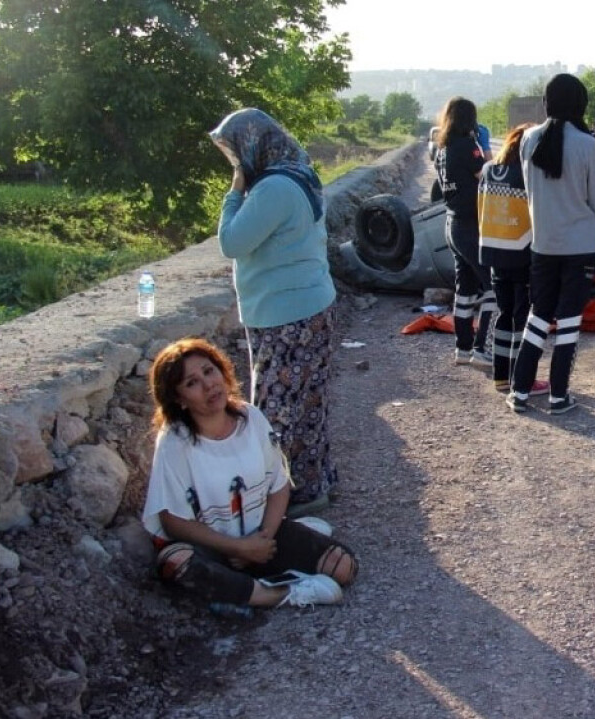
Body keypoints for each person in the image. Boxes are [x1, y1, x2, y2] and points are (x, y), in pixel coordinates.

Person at [143, 339, 358, 611]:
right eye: (192, 383)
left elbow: (279, 485)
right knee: (176, 563)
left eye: (209, 371)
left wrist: (262, 540)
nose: (209, 385)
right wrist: (237, 548)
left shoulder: (251, 418)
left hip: (262, 535)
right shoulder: (175, 442)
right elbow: (172, 521)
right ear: (178, 399)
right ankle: (280, 594)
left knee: (345, 567)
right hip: (212, 548)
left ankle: (252, 579)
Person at [210, 108, 338, 516]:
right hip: (301, 305)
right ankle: (316, 484)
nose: (235, 163)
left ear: (252, 146)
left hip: (287, 313)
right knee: (307, 404)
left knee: (278, 413)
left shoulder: (274, 189)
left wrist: (233, 193)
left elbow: (231, 242)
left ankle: (293, 497)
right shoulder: (295, 174)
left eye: (234, 153)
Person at [507, 73, 595, 414]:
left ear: (547, 101)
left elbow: (529, 188)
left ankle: (519, 391)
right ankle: (558, 395)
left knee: (538, 317)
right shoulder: (587, 144)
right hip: (579, 245)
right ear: (579, 103)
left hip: (543, 244)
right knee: (568, 321)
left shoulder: (528, 139)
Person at [477, 124, 551, 397]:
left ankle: (501, 377)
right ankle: (523, 379)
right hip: (522, 253)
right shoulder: (528, 175)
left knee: (504, 314)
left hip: (493, 252)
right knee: (524, 319)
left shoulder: (487, 171)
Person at [435, 97, 495, 367]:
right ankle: (483, 347)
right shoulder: (466, 145)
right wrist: (485, 149)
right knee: (494, 285)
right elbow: (488, 174)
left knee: (465, 288)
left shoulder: (442, 150)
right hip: (471, 225)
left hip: (452, 224)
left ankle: (463, 347)